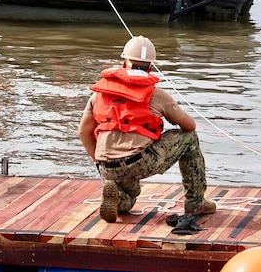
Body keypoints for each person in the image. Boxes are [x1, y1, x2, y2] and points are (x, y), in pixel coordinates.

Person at [77, 36, 217, 223]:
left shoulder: (99, 94)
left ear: (124, 62)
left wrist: (99, 163)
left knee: (131, 195)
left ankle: (118, 198)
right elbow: (189, 126)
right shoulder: (157, 95)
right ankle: (196, 202)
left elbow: (83, 132)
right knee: (189, 138)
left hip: (107, 166)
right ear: (150, 66)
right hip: (139, 162)